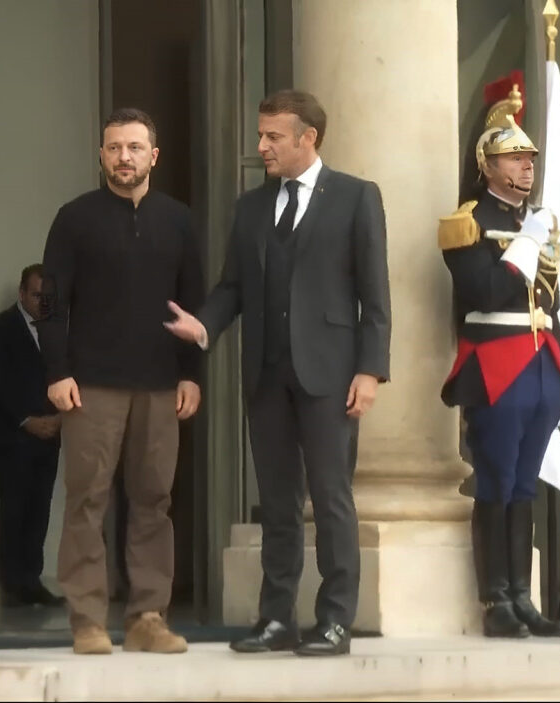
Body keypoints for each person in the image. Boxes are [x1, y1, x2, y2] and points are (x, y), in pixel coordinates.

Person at [166, 90, 390, 657]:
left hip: (332, 375)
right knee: (277, 500)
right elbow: (233, 287)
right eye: (261, 135)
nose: (261, 146)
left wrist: (371, 370)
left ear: (306, 138)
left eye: (272, 137)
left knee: (332, 498)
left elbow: (376, 296)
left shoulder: (356, 198)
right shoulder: (250, 207)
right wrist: (204, 327)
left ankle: (336, 620)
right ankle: (276, 619)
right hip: (267, 375)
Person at [39, 107, 204, 655]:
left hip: (161, 384)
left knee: (154, 500)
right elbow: (53, 304)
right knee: (88, 498)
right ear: (101, 154)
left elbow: (193, 306)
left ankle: (147, 618)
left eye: (135, 147)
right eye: (114, 147)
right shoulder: (75, 218)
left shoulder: (179, 220)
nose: (124, 157)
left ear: (153, 156)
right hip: (91, 385)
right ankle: (87, 619)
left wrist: (191, 375)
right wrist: (57, 372)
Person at [436, 83, 560, 638]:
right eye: (514, 156)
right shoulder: (466, 222)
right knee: (496, 480)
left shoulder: (535, 221)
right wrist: (525, 244)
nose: (526, 166)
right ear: (487, 164)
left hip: (541, 364)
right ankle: (495, 602)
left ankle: (522, 596)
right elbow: (486, 293)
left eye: (530, 157)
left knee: (525, 486)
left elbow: (550, 301)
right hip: (498, 362)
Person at [0, 263, 63, 607]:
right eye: (36, 294)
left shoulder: (58, 330)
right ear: (22, 293)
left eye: (47, 296)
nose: (42, 301)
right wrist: (27, 420)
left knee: (40, 510)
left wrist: (58, 419)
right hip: (13, 436)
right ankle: (12, 585)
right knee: (13, 508)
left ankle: (32, 580)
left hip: (51, 435)